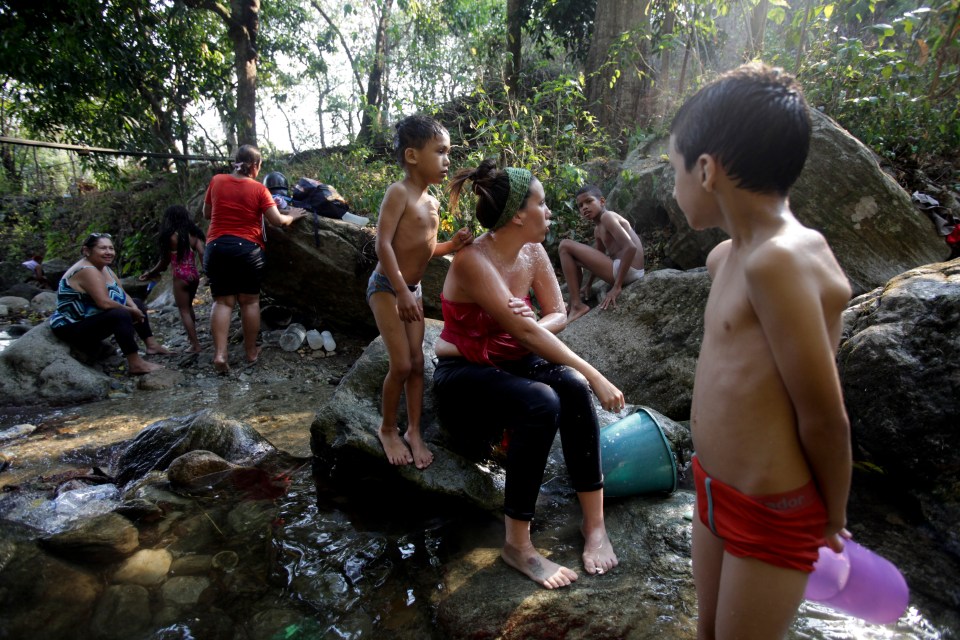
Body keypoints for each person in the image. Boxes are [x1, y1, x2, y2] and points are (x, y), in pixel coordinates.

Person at [668, 62, 852, 639]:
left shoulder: (780, 260)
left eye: (672, 171)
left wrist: (834, 517)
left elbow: (824, 415)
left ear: (705, 170)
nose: (671, 190)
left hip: (773, 513)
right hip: (712, 489)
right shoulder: (728, 258)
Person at [432, 159, 624, 589]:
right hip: (464, 371)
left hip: (516, 358)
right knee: (543, 399)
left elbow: (558, 312)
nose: (550, 210)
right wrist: (597, 373)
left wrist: (534, 327)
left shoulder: (534, 252)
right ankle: (517, 543)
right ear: (518, 214)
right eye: (542, 202)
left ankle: (594, 525)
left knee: (570, 387)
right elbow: (523, 328)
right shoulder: (472, 260)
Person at [368, 114, 473, 469]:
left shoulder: (431, 201)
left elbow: (424, 248)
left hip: (409, 290)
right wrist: (400, 291)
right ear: (413, 156)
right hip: (387, 287)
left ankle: (414, 430)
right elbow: (382, 245)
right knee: (400, 363)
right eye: (440, 152)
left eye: (449, 153)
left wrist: (452, 244)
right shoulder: (399, 192)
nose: (448, 161)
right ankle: (387, 428)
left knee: (418, 364)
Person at [203, 144, 306, 373]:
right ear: (256, 165)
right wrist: (293, 215)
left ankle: (220, 354)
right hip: (246, 249)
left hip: (217, 247)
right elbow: (277, 221)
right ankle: (250, 352)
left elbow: (207, 214)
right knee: (249, 302)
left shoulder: (217, 181)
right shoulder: (259, 189)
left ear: (235, 162)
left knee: (222, 302)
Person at [50, 233, 170, 374]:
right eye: (103, 248)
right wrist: (131, 312)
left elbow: (122, 293)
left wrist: (134, 308)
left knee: (136, 303)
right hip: (71, 326)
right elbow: (104, 303)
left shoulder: (104, 267)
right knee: (120, 314)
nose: (108, 252)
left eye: (111, 248)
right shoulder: (86, 270)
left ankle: (152, 345)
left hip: (92, 319)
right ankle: (136, 363)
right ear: (87, 251)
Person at [558, 185, 645, 321]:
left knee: (565, 245)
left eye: (589, 201)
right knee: (572, 258)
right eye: (580, 206)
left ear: (602, 201)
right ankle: (574, 302)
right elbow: (597, 257)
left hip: (629, 269)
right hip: (623, 269)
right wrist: (588, 285)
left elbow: (630, 247)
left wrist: (617, 287)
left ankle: (576, 305)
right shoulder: (598, 230)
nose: (584, 207)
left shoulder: (608, 217)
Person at [139, 205, 207, 353]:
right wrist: (206, 272)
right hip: (194, 276)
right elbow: (202, 253)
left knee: (183, 311)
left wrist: (150, 273)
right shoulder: (194, 235)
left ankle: (195, 345)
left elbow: (164, 262)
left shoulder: (169, 236)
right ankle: (192, 340)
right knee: (189, 307)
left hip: (180, 277)